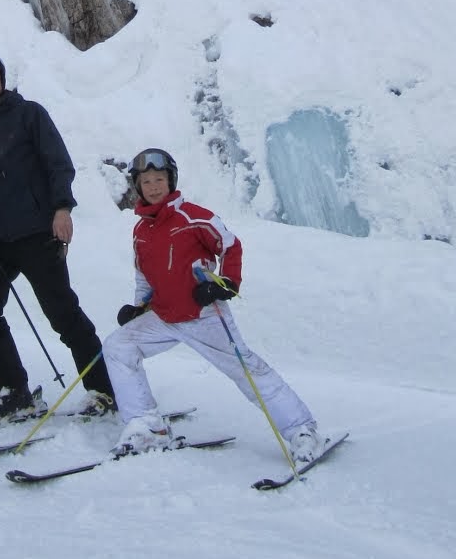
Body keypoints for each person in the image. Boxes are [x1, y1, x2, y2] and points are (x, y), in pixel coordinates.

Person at [102, 147, 323, 463]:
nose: (153, 187)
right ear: (138, 186)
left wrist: (227, 283)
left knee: (247, 372)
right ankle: (146, 426)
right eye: (146, 181)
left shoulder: (193, 216)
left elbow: (231, 246)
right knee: (118, 347)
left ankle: (303, 432)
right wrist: (139, 308)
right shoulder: (141, 231)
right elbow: (145, 276)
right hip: (164, 316)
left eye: (159, 179)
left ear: (171, 181)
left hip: (203, 314)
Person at [0, 47, 115, 423]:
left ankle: (102, 388)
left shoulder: (30, 114)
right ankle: (14, 390)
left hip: (39, 231)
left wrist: (62, 208)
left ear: (1, 78)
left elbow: (58, 162)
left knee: (62, 314)